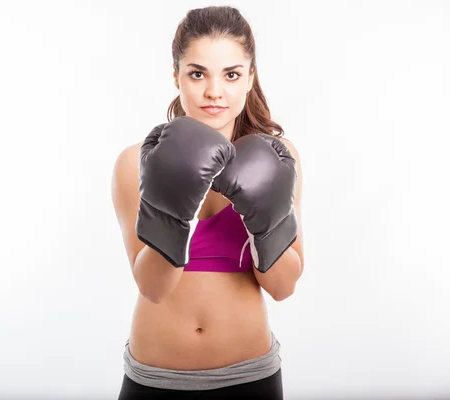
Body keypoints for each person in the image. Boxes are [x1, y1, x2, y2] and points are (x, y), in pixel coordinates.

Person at [110, 6, 304, 399]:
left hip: (250, 375)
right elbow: (153, 287)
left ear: (250, 78)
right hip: (155, 378)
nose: (214, 91)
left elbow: (283, 287)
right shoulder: (137, 163)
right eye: (197, 73)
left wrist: (264, 219)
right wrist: (174, 205)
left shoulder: (278, 158)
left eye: (231, 74)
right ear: (176, 76)